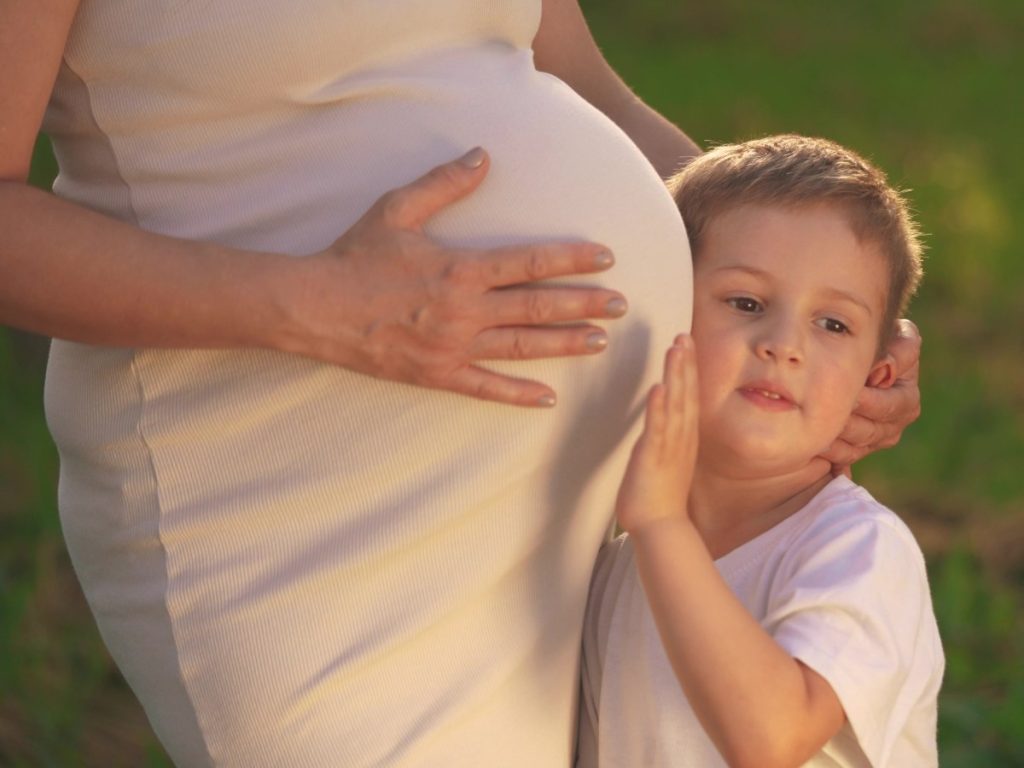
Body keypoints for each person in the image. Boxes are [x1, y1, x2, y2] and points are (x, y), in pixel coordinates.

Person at [1, 2, 921, 765]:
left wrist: (822, 298)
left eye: (836, 329)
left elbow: (584, 86)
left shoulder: (744, 540)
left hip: (559, 517)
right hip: (287, 486)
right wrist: (316, 303)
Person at [578, 135, 944, 768]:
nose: (784, 344)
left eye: (833, 324)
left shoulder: (859, 551)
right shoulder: (620, 565)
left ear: (877, 376)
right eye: (746, 303)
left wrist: (661, 523)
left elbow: (772, 739)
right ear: (667, 308)